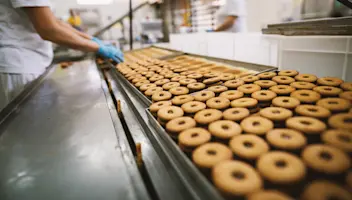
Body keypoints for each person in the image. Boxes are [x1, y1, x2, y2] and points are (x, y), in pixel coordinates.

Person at [0, 0, 124, 111]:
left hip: (30, 60)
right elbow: (48, 29)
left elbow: (55, 22)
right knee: (25, 128)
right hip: (20, 63)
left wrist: (92, 39)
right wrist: (97, 47)